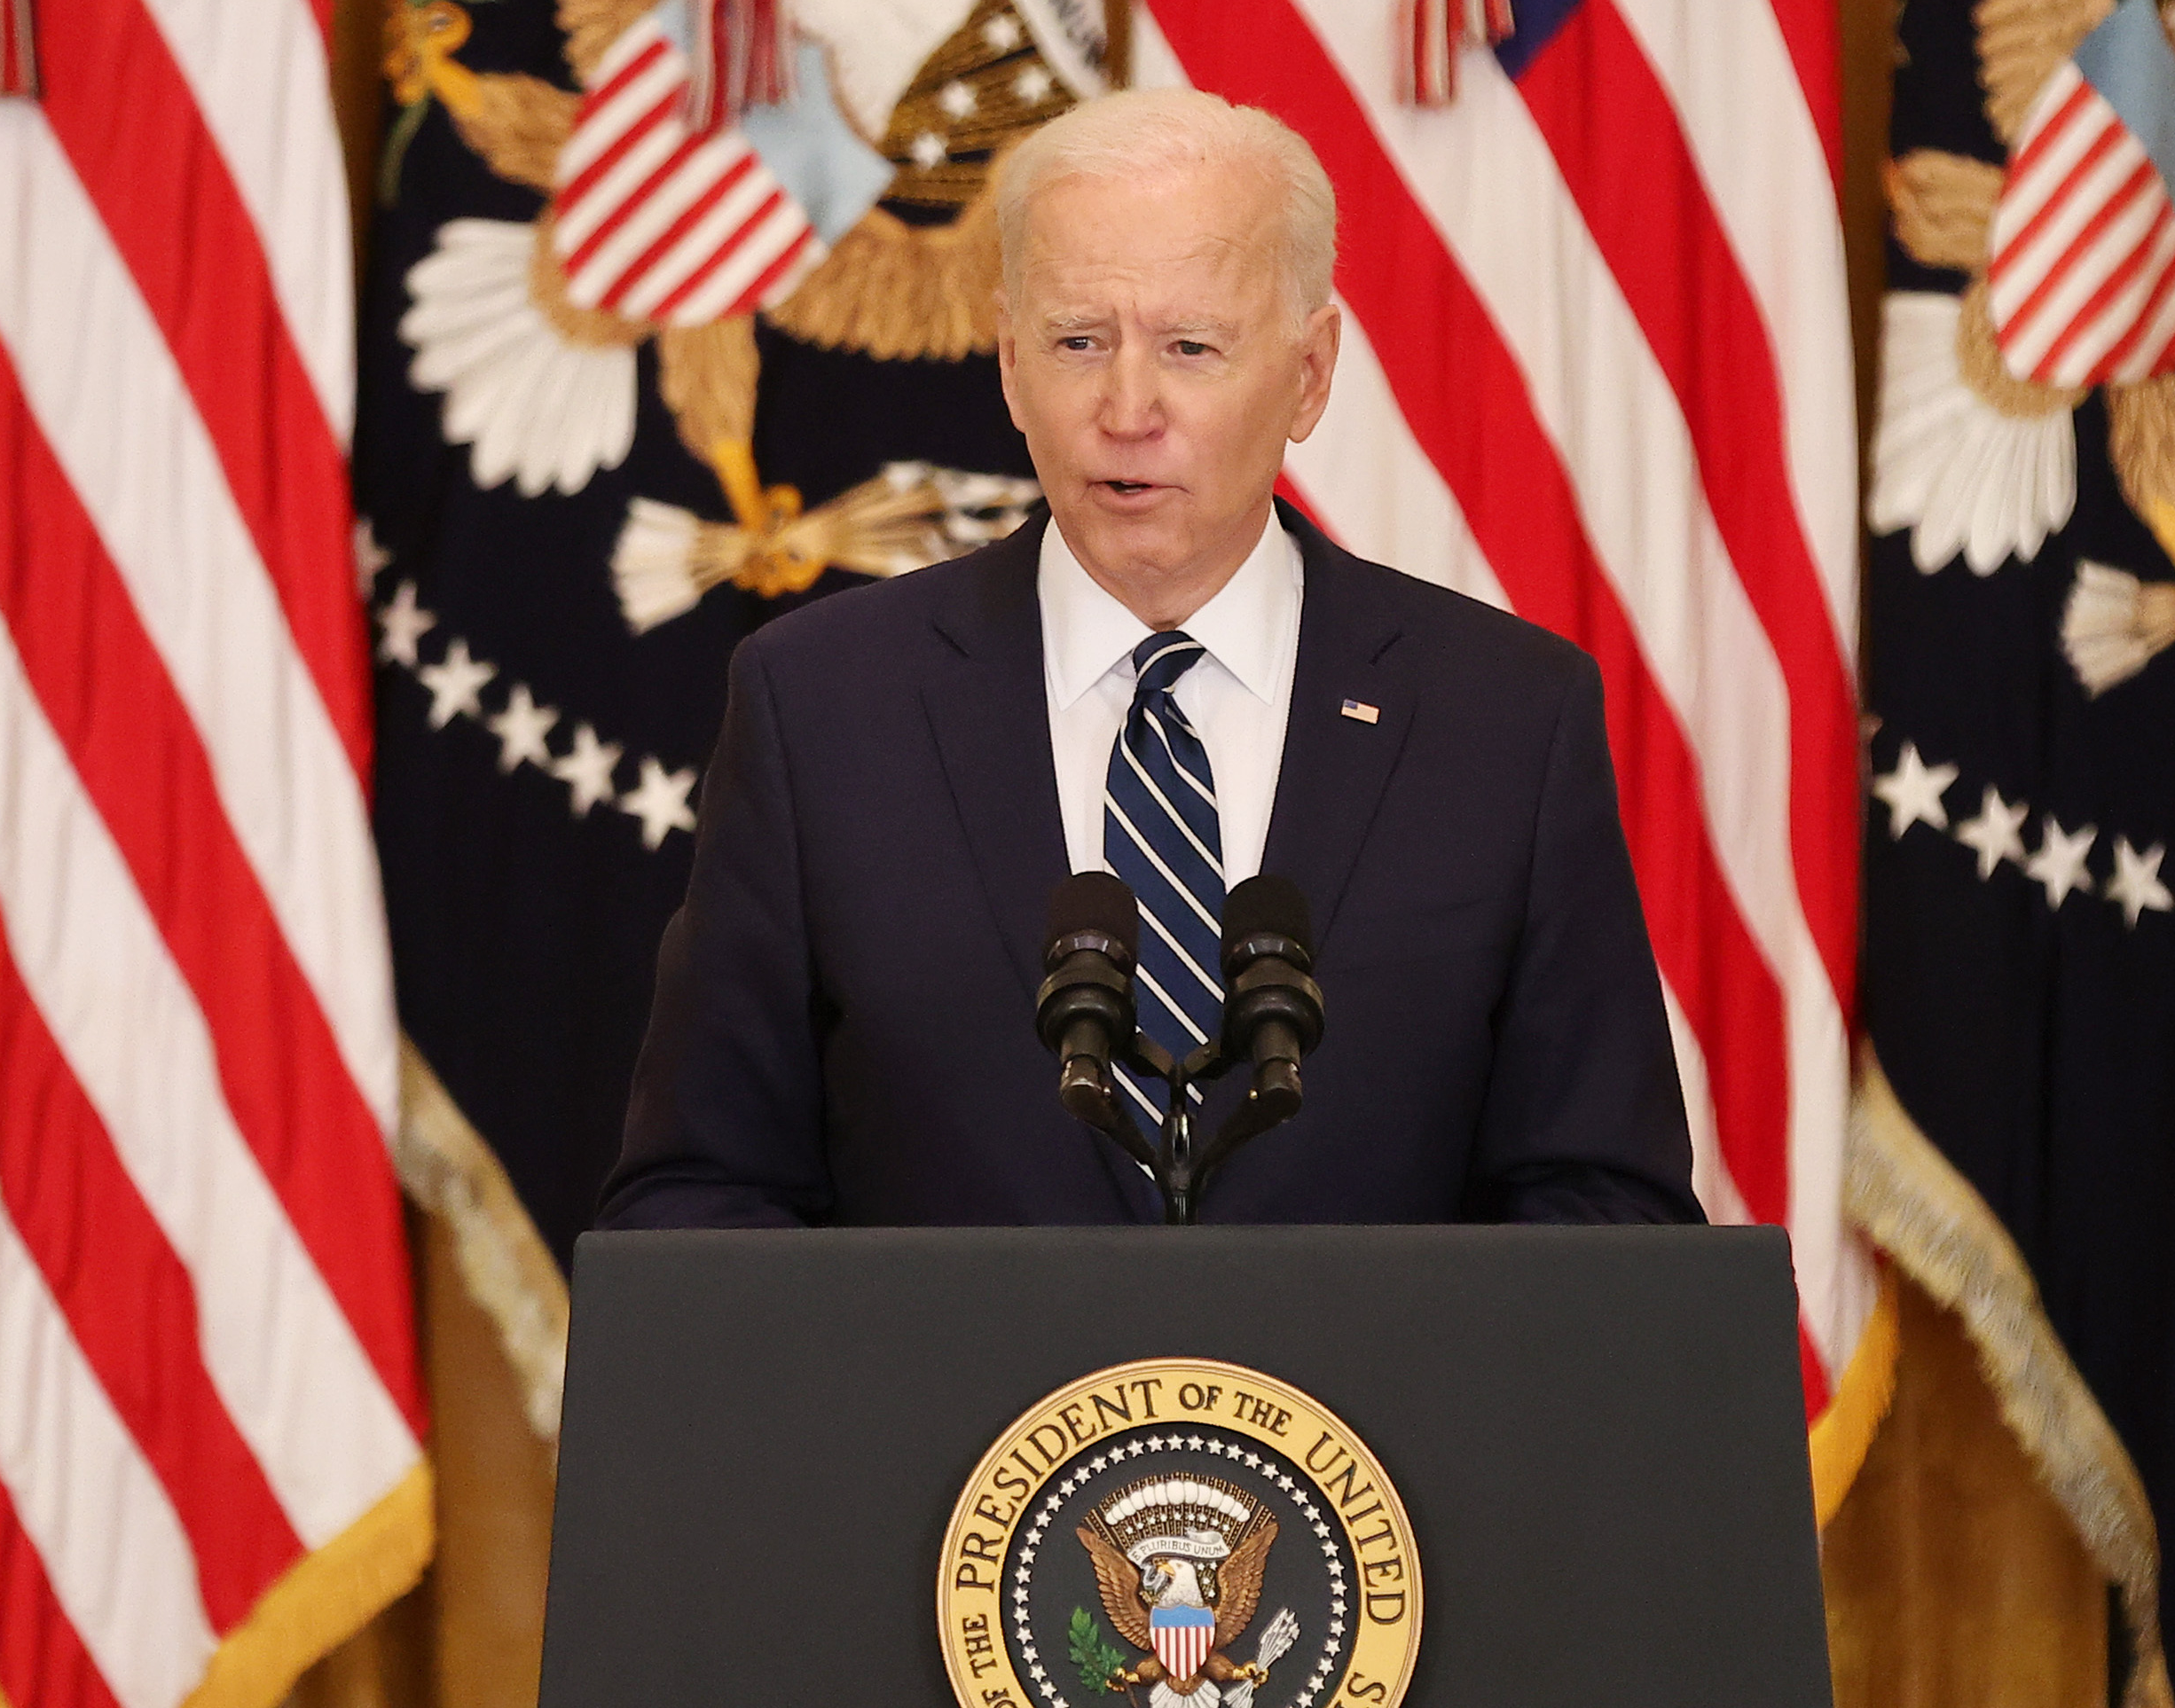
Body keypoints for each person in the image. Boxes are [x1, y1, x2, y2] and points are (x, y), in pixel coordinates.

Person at [593, 89, 1699, 1231]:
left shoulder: (1503, 721)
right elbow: (698, 1196)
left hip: (1364, 1413)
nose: (1128, 408)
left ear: (1310, 373)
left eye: (1190, 347)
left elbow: (1606, 1207)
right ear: (1012, 366)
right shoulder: (821, 709)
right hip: (960, 1413)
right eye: (1079, 343)